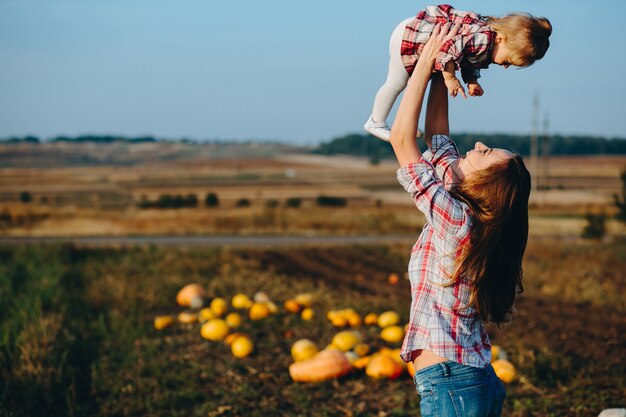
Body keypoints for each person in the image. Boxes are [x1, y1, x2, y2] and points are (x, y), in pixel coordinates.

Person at [390, 23, 531, 416]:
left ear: (486, 186)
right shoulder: (470, 216)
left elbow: (404, 140)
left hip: (453, 382)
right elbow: (437, 136)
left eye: (487, 155)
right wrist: (440, 66)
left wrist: (419, 68)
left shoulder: (458, 222)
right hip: (469, 378)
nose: (480, 144)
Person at [365, 4, 551, 142]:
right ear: (501, 39)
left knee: (409, 85)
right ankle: (375, 121)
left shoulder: (487, 43)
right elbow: (449, 47)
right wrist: (451, 77)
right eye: (508, 61)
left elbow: (470, 59)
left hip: (415, 34)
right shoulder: (484, 39)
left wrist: (472, 81)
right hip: (411, 34)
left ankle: (402, 124)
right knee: (396, 83)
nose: (505, 66)